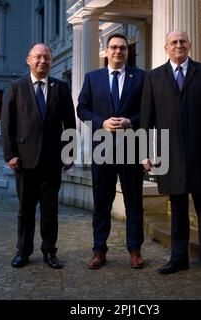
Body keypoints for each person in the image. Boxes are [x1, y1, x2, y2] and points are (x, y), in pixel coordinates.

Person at [140, 30, 201, 281]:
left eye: (182, 42)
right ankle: (178, 258)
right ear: (166, 47)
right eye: (173, 42)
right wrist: (144, 153)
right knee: (178, 207)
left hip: (200, 152)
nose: (178, 45)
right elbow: (146, 119)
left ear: (189, 45)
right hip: (168, 153)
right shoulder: (153, 77)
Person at [0, 44, 76, 269]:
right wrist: (10, 155)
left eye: (46, 57)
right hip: (24, 161)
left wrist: (69, 153)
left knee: (50, 210)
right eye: (37, 57)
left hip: (53, 162)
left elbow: (69, 123)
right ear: (28, 60)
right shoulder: (15, 87)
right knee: (25, 210)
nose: (42, 61)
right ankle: (23, 251)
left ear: (51, 61)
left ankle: (49, 251)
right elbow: (7, 124)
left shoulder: (61, 88)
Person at [77, 33, 146, 269]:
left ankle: (135, 250)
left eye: (123, 48)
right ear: (106, 51)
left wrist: (131, 122)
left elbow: (148, 110)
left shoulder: (140, 77)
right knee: (102, 202)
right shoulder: (92, 78)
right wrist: (101, 122)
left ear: (128, 52)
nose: (118, 51)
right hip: (103, 148)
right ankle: (99, 250)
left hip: (132, 148)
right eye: (114, 47)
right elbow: (82, 108)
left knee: (134, 202)